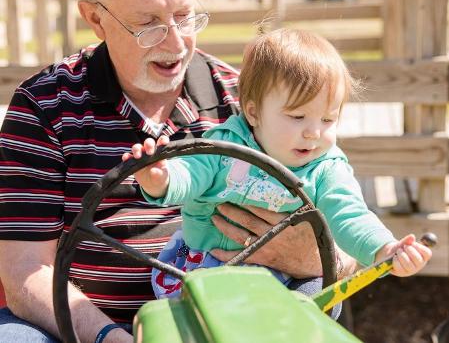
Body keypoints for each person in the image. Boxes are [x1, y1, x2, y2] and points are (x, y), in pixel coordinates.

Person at [0, 0, 356, 343]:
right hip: (91, 325)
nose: (175, 42)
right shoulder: (44, 105)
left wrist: (314, 258)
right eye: (148, 24)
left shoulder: (247, 103)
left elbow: (343, 236)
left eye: (185, 16)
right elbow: (25, 272)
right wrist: (111, 338)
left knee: (314, 296)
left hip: (228, 318)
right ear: (95, 18)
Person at [125, 28, 432, 301]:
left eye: (328, 119)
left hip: (286, 276)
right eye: (297, 116)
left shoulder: (325, 167)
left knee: (312, 302)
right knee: (197, 322)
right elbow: (192, 173)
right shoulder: (226, 147)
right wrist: (162, 179)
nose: (313, 132)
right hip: (209, 265)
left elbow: (350, 214)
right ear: (254, 113)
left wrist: (386, 249)